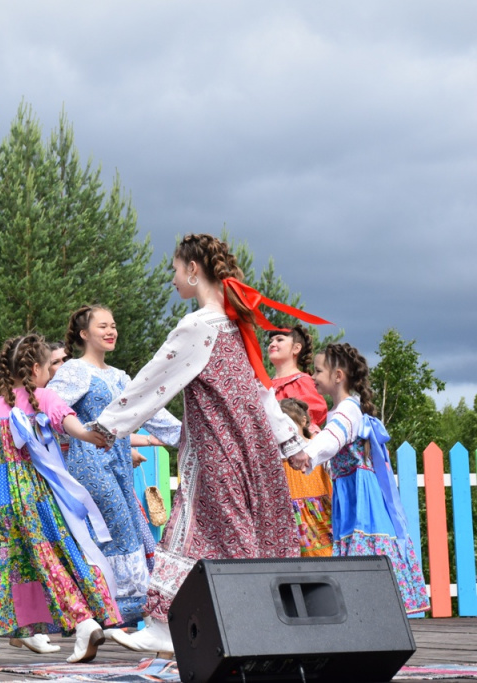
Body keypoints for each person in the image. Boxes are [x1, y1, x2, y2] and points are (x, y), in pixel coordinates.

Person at [90, 234, 327, 656]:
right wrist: (292, 445)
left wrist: (106, 426)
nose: (173, 279)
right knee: (238, 536)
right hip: (254, 454)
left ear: (193, 270)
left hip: (217, 451)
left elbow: (151, 381)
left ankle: (176, 627)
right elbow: (263, 393)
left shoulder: (198, 326)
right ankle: (260, 627)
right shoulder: (239, 327)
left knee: (197, 529)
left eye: (175, 270)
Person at [0, 334, 120, 665]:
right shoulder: (45, 398)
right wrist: (89, 435)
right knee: (54, 557)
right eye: (49, 367)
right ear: (35, 368)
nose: (52, 373)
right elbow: (68, 422)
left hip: (4, 498)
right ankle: (85, 622)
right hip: (40, 497)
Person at [47, 305, 181, 648]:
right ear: (83, 334)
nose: (112, 331)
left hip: (119, 465)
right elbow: (51, 412)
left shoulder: (121, 376)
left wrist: (189, 437)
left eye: (114, 326)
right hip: (90, 464)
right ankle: (112, 616)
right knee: (117, 533)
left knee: (129, 533)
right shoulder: (75, 371)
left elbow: (152, 410)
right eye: (103, 326)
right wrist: (83, 433)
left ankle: (105, 617)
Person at [289, 344, 430, 614]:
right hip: (349, 496)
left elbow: (334, 439)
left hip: (360, 500)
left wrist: (309, 454)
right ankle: (370, 622)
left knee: (366, 558)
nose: (314, 376)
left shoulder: (347, 411)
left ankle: (377, 622)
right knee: (358, 560)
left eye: (318, 371)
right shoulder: (342, 411)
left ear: (338, 376)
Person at [269, 326, 334, 556]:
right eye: (270, 339)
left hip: (299, 462)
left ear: (296, 348)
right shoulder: (265, 386)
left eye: (279, 339)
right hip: (274, 465)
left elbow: (312, 419)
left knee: (310, 535)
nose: (272, 343)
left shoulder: (303, 381)